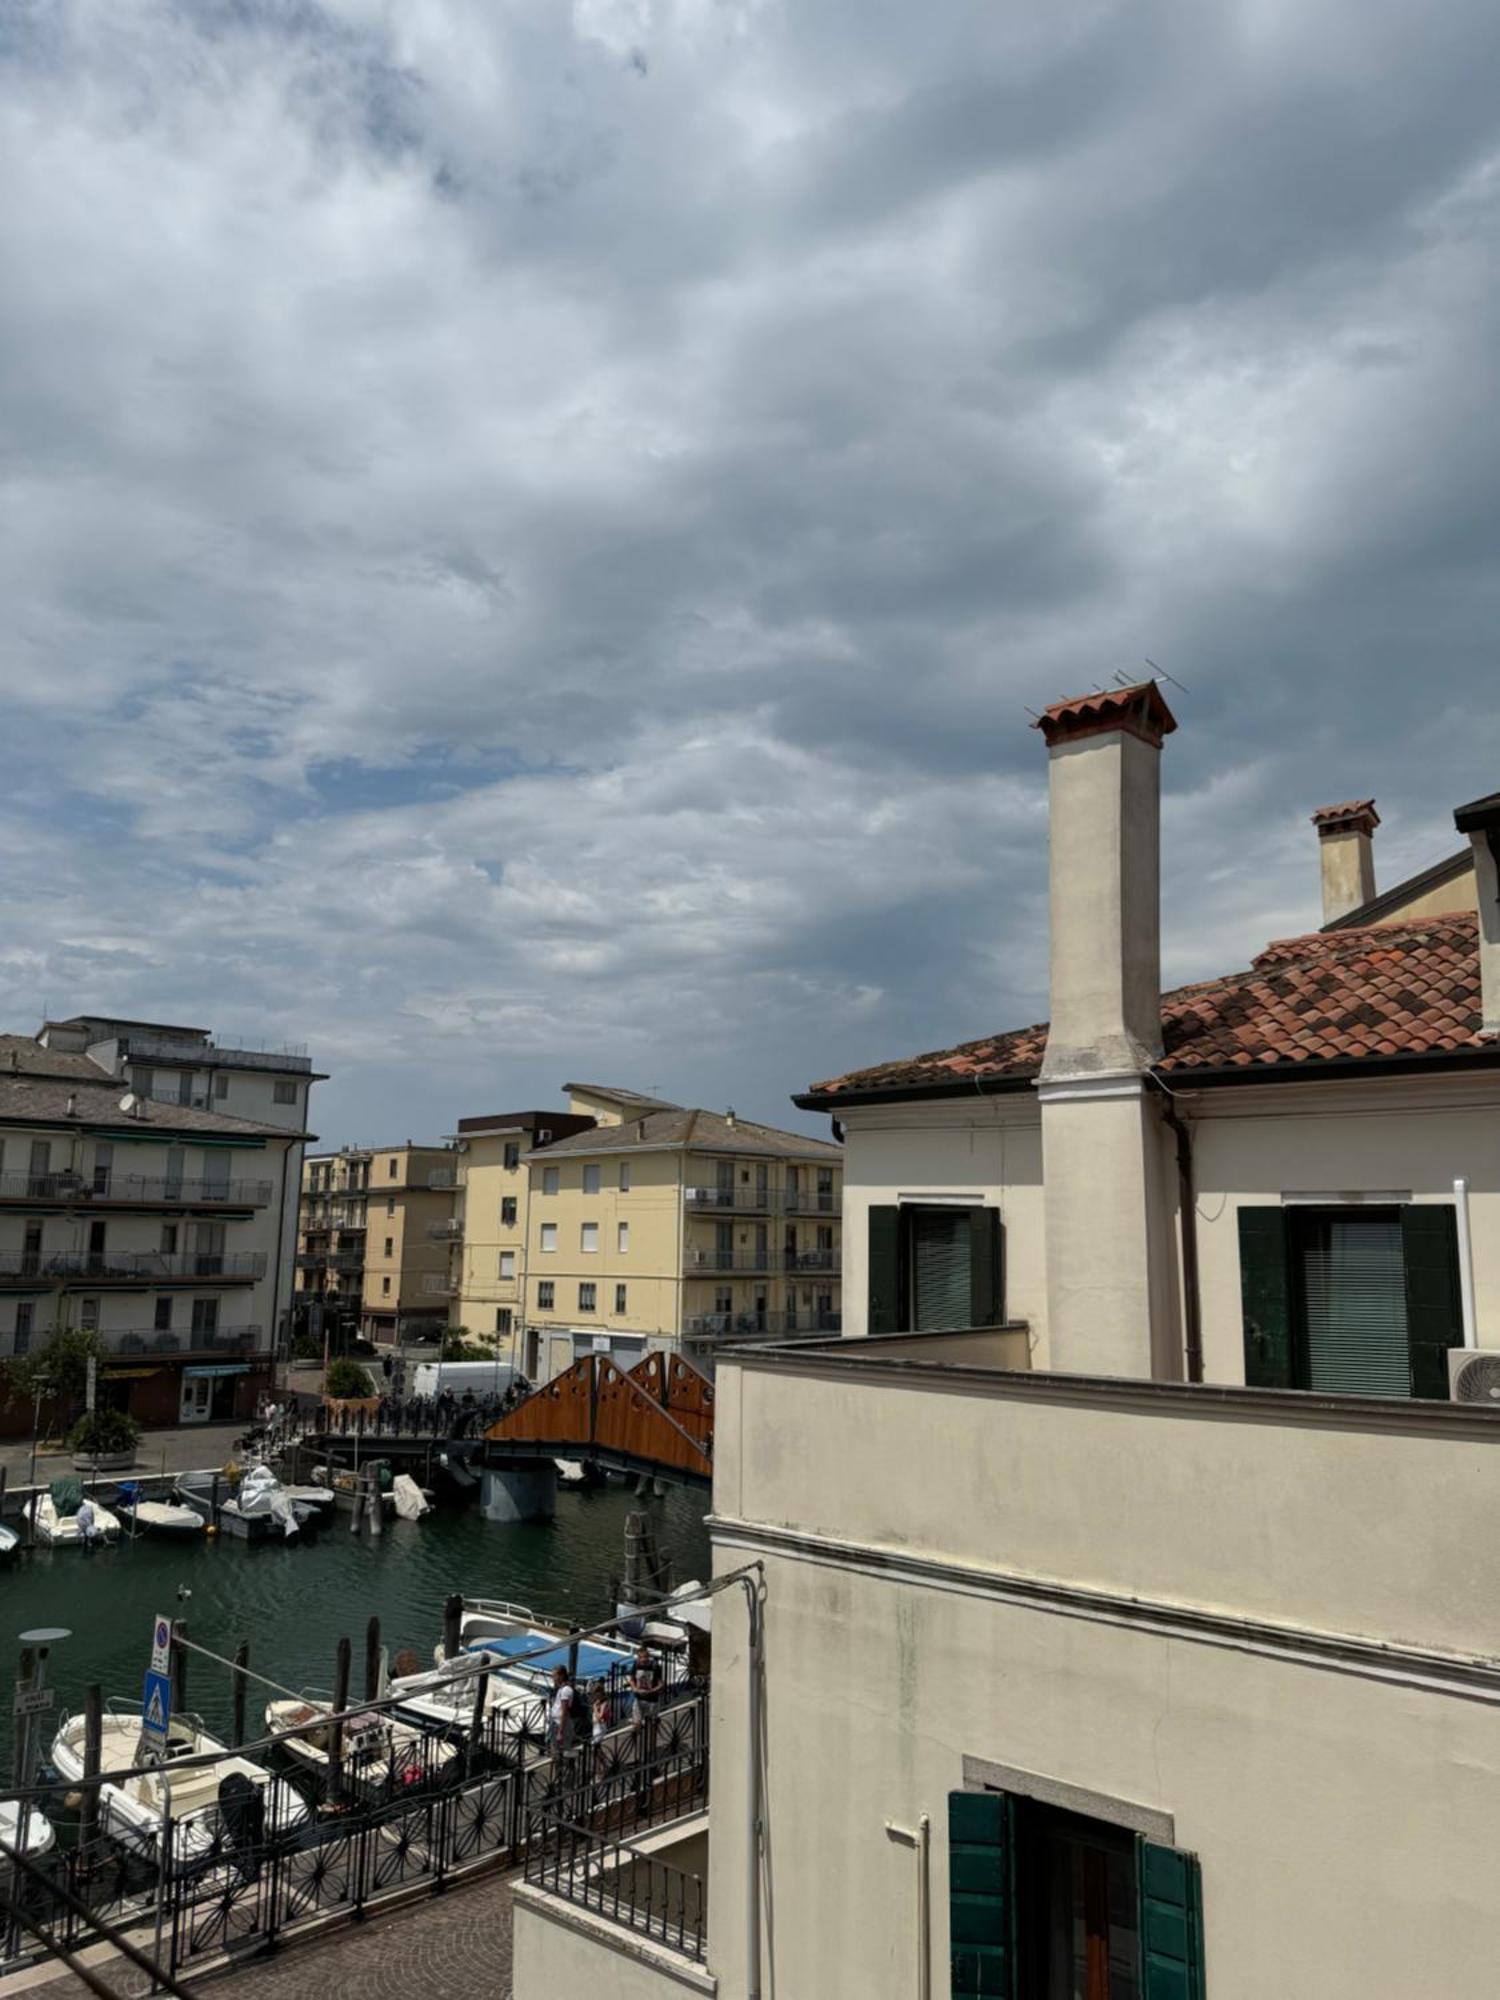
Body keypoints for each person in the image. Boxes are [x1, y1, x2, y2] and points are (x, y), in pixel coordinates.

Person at [548, 1664, 578, 1775]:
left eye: (554, 1676)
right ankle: (559, 1776)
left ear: (561, 1676)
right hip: (555, 1723)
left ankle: (567, 1776)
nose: (553, 1678)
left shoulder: (566, 1690)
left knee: (562, 1753)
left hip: (561, 1725)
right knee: (555, 1753)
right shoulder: (561, 1689)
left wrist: (560, 1731)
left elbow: (564, 1711)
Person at [630, 1644, 664, 1741]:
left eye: (645, 1657)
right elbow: (632, 1679)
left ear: (648, 1657)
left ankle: (652, 1746)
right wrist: (635, 1688)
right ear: (638, 1657)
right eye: (641, 1657)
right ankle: (639, 1745)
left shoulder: (655, 1666)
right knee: (636, 1724)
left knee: (653, 1725)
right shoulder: (636, 1665)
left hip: (652, 1700)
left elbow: (661, 1683)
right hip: (639, 1698)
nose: (643, 1659)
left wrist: (651, 1691)